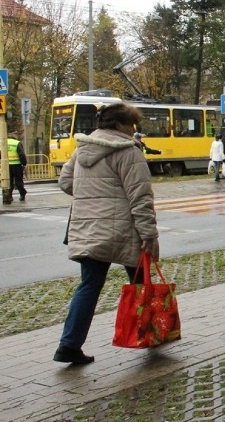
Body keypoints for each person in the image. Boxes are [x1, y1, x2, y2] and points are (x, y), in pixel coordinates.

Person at [54, 102, 159, 365]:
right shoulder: (128, 151)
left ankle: (68, 345)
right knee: (141, 283)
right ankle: (149, 334)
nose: (133, 130)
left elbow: (66, 182)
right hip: (123, 229)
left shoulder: (82, 149)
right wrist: (149, 234)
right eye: (131, 124)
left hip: (88, 228)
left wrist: (93, 199)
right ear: (119, 125)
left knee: (89, 286)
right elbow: (140, 197)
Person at [6, 131, 27, 201]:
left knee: (9, 182)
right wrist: (24, 163)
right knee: (19, 181)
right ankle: (22, 194)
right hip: (17, 165)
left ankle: (9, 196)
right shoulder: (17, 143)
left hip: (6, 166)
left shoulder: (2, 142)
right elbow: (22, 154)